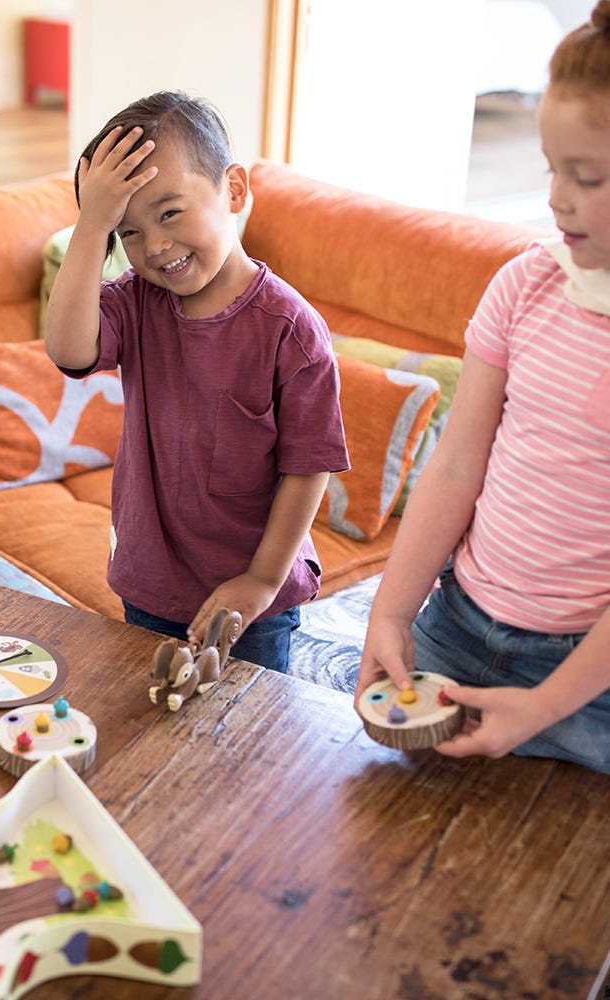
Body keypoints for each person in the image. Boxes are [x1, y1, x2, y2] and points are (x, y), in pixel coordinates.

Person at [356, 4, 610, 774]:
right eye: (551, 168)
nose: (557, 198)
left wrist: (545, 704)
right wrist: (391, 611)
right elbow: (456, 464)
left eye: (587, 177)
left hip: (588, 680)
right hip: (457, 626)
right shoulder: (525, 286)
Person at [45, 91, 348, 671]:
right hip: (150, 584)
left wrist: (261, 581)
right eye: (128, 233)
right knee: (150, 716)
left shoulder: (291, 329)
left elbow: (309, 467)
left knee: (247, 723)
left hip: (250, 601)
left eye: (169, 213)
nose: (156, 247)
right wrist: (93, 224)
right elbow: (67, 348)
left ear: (233, 190)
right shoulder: (136, 302)